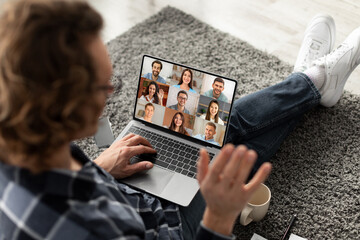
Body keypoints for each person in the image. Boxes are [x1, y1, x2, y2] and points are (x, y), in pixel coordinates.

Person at [0, 1, 359, 239]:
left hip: (120, 192)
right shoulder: (102, 231)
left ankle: (310, 83)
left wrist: (97, 168)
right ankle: (313, 80)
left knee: (206, 133)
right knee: (222, 134)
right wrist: (220, 215)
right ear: (64, 107)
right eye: (106, 85)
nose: (112, 92)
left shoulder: (17, 151)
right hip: (166, 228)